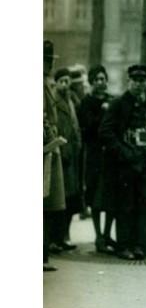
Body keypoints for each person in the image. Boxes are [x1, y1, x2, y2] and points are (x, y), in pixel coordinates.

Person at [99, 64, 146, 260]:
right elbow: (105, 132)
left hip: (145, 163)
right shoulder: (118, 104)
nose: (139, 85)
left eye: (143, 81)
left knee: (145, 205)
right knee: (125, 206)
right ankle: (124, 246)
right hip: (125, 164)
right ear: (129, 81)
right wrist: (124, 151)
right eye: (135, 81)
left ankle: (141, 246)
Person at [77, 65, 116, 253]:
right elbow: (88, 127)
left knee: (110, 196)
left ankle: (108, 233)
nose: (101, 82)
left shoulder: (111, 100)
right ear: (92, 82)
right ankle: (98, 235)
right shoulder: (87, 102)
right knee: (95, 196)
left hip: (110, 155)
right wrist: (103, 112)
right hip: (94, 154)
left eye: (103, 79)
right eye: (97, 79)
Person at [49, 68, 83, 252]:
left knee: (70, 199)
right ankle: (56, 238)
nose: (64, 84)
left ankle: (64, 235)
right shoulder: (54, 98)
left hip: (72, 154)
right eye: (61, 81)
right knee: (59, 200)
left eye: (67, 81)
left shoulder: (71, 99)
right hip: (62, 154)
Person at [44, 41, 66, 272]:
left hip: (49, 149)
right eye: (48, 60)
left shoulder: (46, 83)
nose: (49, 65)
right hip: (44, 149)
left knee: (48, 204)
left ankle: (44, 254)